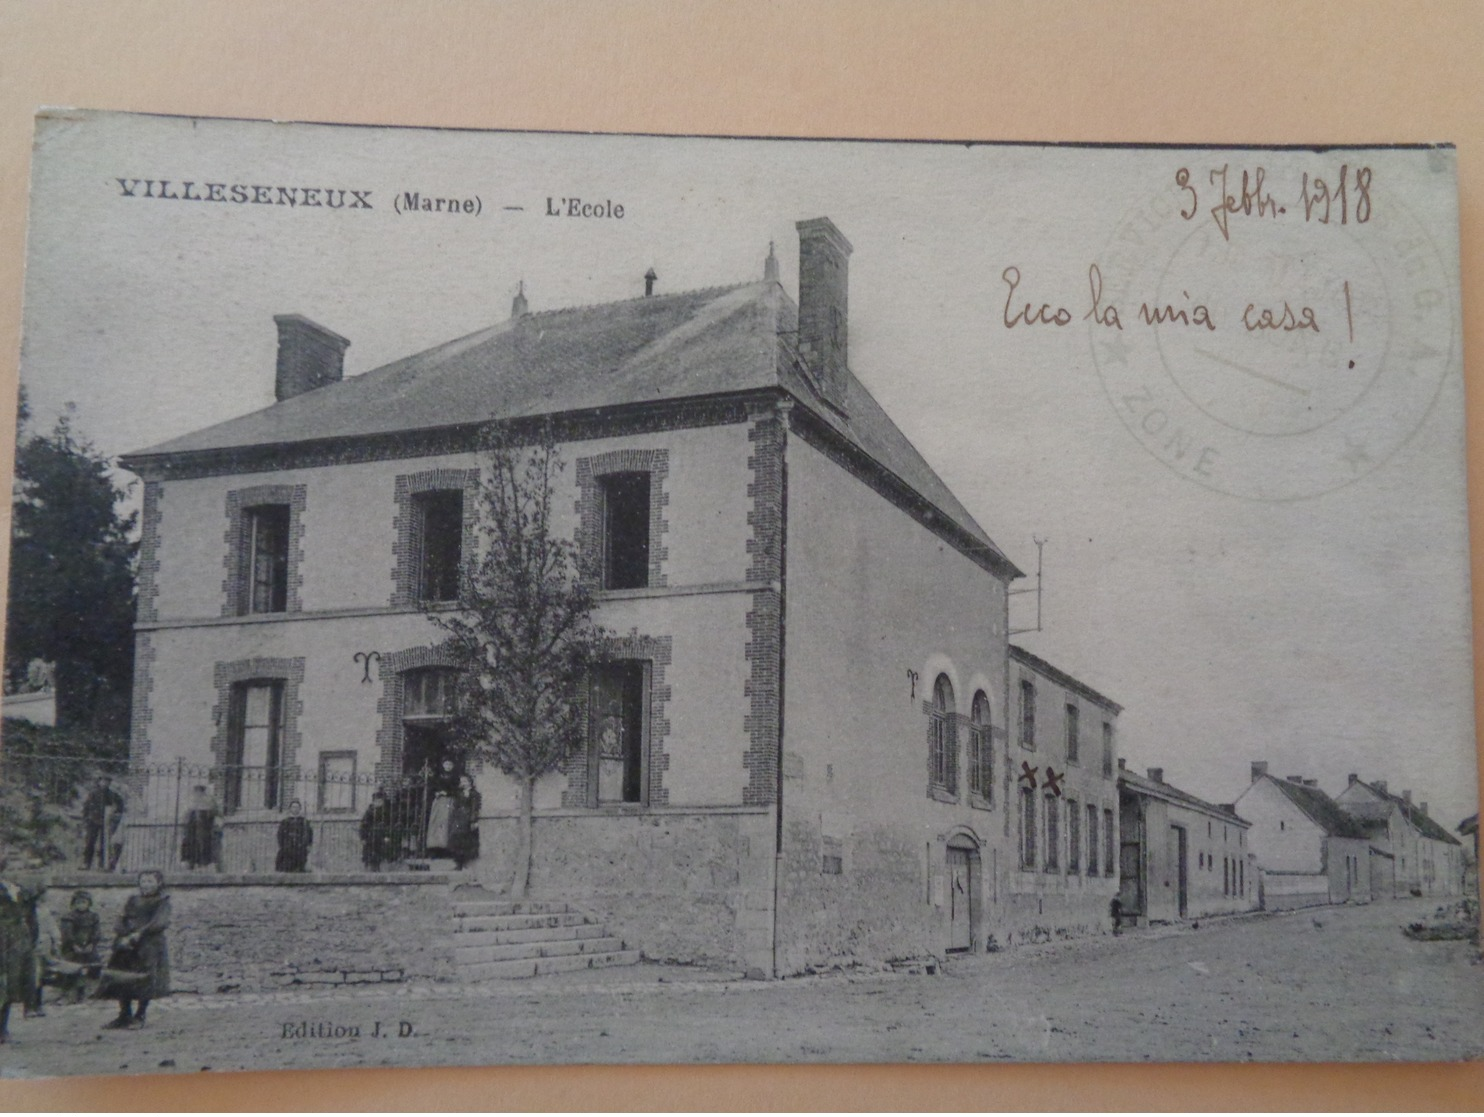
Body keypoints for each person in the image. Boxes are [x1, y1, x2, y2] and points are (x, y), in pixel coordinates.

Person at [98, 870, 170, 1029]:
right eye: (143, 881)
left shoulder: (162, 901)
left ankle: (140, 1015)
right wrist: (123, 935)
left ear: (158, 883)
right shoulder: (132, 900)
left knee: (144, 979)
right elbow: (121, 918)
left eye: (151, 881)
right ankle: (124, 1014)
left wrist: (139, 933)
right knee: (122, 978)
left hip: (149, 946)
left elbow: (159, 922)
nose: (146, 884)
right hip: (127, 946)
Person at [0, 862, 36, 1044]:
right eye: (11, 869)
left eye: (18, 869)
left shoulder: (20, 892)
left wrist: (30, 940)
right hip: (2, 939)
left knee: (11, 984)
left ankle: (3, 1029)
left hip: (17, 942)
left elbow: (31, 917)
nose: (15, 873)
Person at [58, 890, 102, 1003]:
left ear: (89, 903)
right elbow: (67, 933)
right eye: (78, 902)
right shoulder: (69, 917)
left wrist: (92, 943)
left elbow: (97, 932)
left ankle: (86, 993)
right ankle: (67, 994)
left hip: (88, 947)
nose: (81, 905)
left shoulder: (93, 917)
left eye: (84, 902)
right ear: (74, 904)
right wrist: (73, 944)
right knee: (70, 968)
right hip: (72, 948)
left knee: (93, 966)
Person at [81, 776, 125, 871]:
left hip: (106, 822)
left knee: (104, 844)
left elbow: (120, 804)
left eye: (107, 781)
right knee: (89, 842)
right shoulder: (93, 793)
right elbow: (86, 806)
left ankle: (102, 864)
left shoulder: (112, 794)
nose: (105, 783)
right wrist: (85, 819)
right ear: (100, 782)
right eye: (103, 781)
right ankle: (86, 863)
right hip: (93, 821)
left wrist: (115, 813)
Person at [359, 789, 399, 871]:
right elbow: (364, 825)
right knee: (371, 858)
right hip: (371, 839)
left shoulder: (388, 811)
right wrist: (363, 837)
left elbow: (392, 825)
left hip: (383, 838)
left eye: (380, 800)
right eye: (376, 801)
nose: (378, 802)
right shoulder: (369, 812)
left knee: (384, 857)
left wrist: (388, 835)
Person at [180, 785, 218, 870]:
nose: (198, 793)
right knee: (193, 845)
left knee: (202, 846)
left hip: (202, 830)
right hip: (193, 830)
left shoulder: (207, 801)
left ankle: (199, 863)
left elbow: (214, 813)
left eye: (199, 790)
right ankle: (193, 863)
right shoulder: (192, 801)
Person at [448, 774, 481, 870]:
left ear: (470, 782)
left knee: (466, 841)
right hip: (458, 819)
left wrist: (473, 821)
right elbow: (455, 806)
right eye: (461, 781)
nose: (463, 783)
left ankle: (466, 863)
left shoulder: (474, 794)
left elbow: (475, 808)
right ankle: (458, 863)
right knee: (456, 840)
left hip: (468, 819)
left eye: (465, 781)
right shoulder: (459, 793)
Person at [275, 800, 313, 872]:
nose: (295, 809)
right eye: (293, 807)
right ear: (290, 809)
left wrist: (307, 845)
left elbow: (309, 835)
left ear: (300, 809)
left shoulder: (304, 822)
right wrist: (284, 846)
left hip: (300, 850)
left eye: (297, 807)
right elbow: (280, 836)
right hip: (288, 851)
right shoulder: (285, 822)